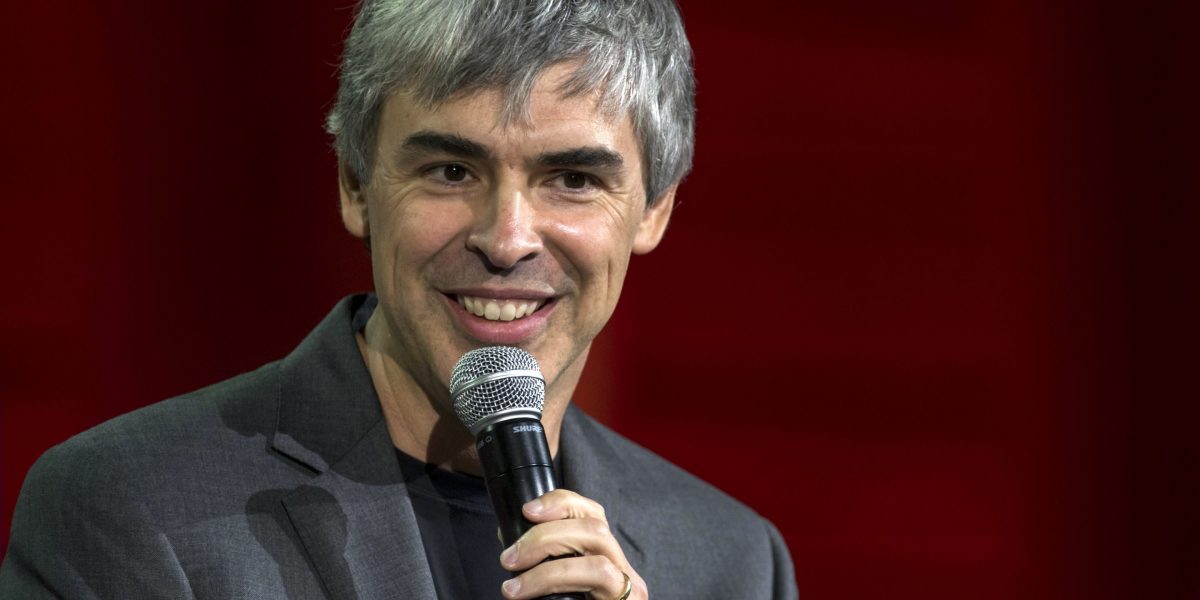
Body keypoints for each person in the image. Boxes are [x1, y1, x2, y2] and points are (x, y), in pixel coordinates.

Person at [0, 1, 797, 598]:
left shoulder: (732, 562)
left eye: (572, 178)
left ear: (654, 209)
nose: (507, 239)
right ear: (355, 185)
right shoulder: (129, 508)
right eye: (451, 171)